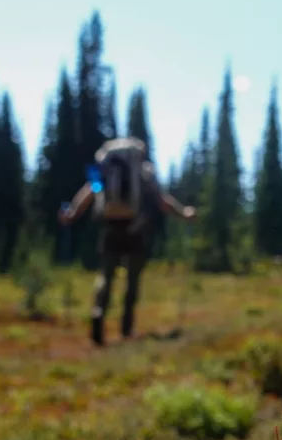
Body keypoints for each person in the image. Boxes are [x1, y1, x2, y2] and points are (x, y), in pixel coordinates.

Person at [59, 137, 197, 346]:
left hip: (109, 228)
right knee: (132, 280)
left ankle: (98, 313)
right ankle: (126, 328)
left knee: (105, 276)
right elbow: (162, 201)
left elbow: (90, 191)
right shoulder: (143, 171)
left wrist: (72, 213)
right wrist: (184, 213)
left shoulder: (103, 172)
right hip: (135, 229)